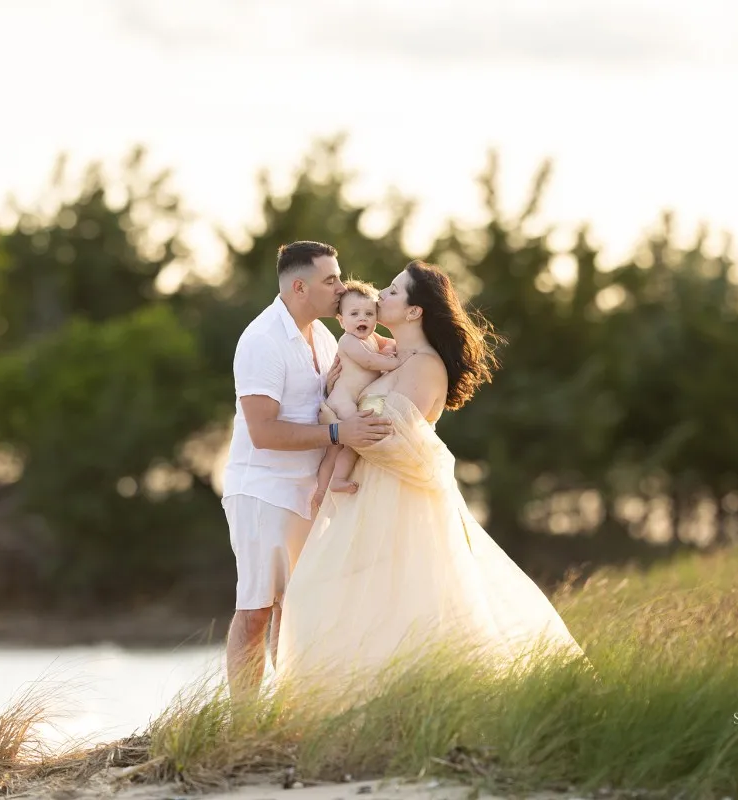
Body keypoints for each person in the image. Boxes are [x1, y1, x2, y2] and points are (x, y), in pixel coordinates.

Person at [275, 260, 592, 701]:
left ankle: (416, 705)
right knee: (325, 598)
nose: (380, 295)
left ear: (413, 312)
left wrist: (333, 420)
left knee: (396, 605)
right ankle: (343, 708)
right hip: (366, 498)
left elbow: (395, 443)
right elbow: (364, 410)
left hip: (397, 502)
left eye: (393, 290)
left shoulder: (425, 367)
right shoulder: (386, 358)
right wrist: (336, 390)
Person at [221, 241, 393, 703]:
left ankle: (294, 710)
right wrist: (341, 433)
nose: (340, 288)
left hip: (310, 491)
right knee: (256, 610)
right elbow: (264, 432)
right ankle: (243, 724)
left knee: (298, 608)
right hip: (263, 491)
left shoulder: (323, 336)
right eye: (330, 280)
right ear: (300, 286)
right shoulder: (262, 341)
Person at [313, 280, 409, 513]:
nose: (362, 319)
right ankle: (328, 486)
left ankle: (323, 491)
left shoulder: (373, 339)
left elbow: (393, 344)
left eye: (368, 313)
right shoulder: (348, 341)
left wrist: (391, 349)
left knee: (335, 449)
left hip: (349, 401)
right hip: (341, 401)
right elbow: (369, 361)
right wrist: (397, 361)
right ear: (341, 320)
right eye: (354, 314)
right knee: (356, 439)